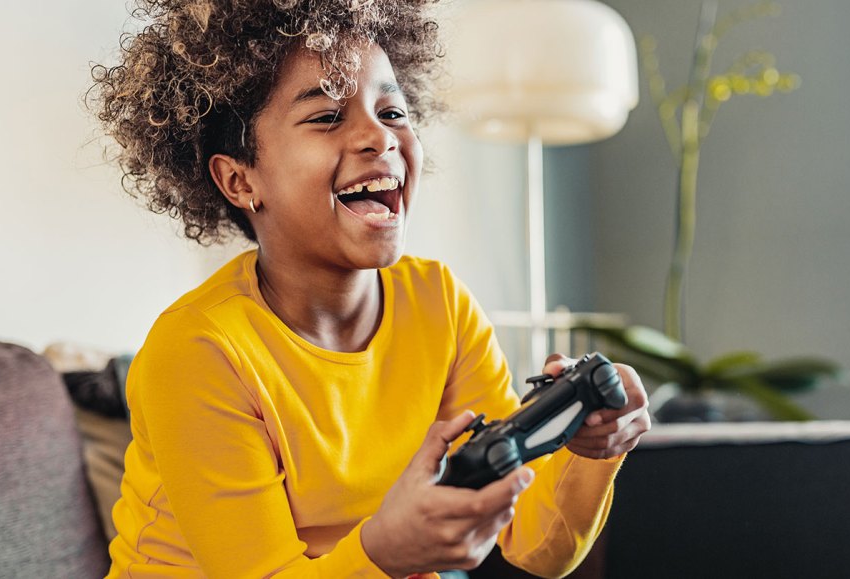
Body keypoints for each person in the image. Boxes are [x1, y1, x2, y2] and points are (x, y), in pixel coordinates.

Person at [90, 0, 651, 577]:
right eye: (327, 116)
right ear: (240, 179)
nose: (377, 136)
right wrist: (386, 549)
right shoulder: (198, 350)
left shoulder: (438, 302)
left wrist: (590, 452)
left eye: (393, 110)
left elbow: (537, 546)